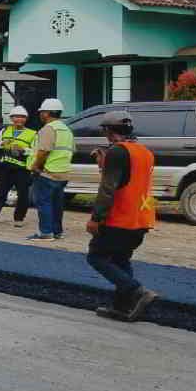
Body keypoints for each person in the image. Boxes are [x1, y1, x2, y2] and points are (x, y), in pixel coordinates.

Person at [85, 110, 160, 322]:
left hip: (120, 218)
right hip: (141, 217)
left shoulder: (117, 152)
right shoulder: (145, 152)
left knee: (96, 257)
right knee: (120, 259)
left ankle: (137, 291)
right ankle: (122, 307)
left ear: (109, 131)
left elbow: (108, 188)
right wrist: (105, 164)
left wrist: (96, 218)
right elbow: (130, 180)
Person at [0, 106, 36, 227]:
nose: (19, 119)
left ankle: (19, 219)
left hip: (22, 169)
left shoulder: (32, 134)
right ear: (11, 118)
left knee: (23, 195)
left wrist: (23, 150)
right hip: (5, 168)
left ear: (26, 119)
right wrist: (2, 143)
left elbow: (35, 151)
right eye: (16, 117)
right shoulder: (4, 131)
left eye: (22, 117)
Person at [27, 98, 74, 241]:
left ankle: (46, 232)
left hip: (47, 172)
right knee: (56, 204)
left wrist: (36, 166)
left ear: (46, 113)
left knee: (44, 203)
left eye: (42, 112)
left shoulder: (49, 129)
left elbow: (44, 151)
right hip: (63, 173)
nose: (40, 115)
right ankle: (57, 231)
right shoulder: (66, 130)